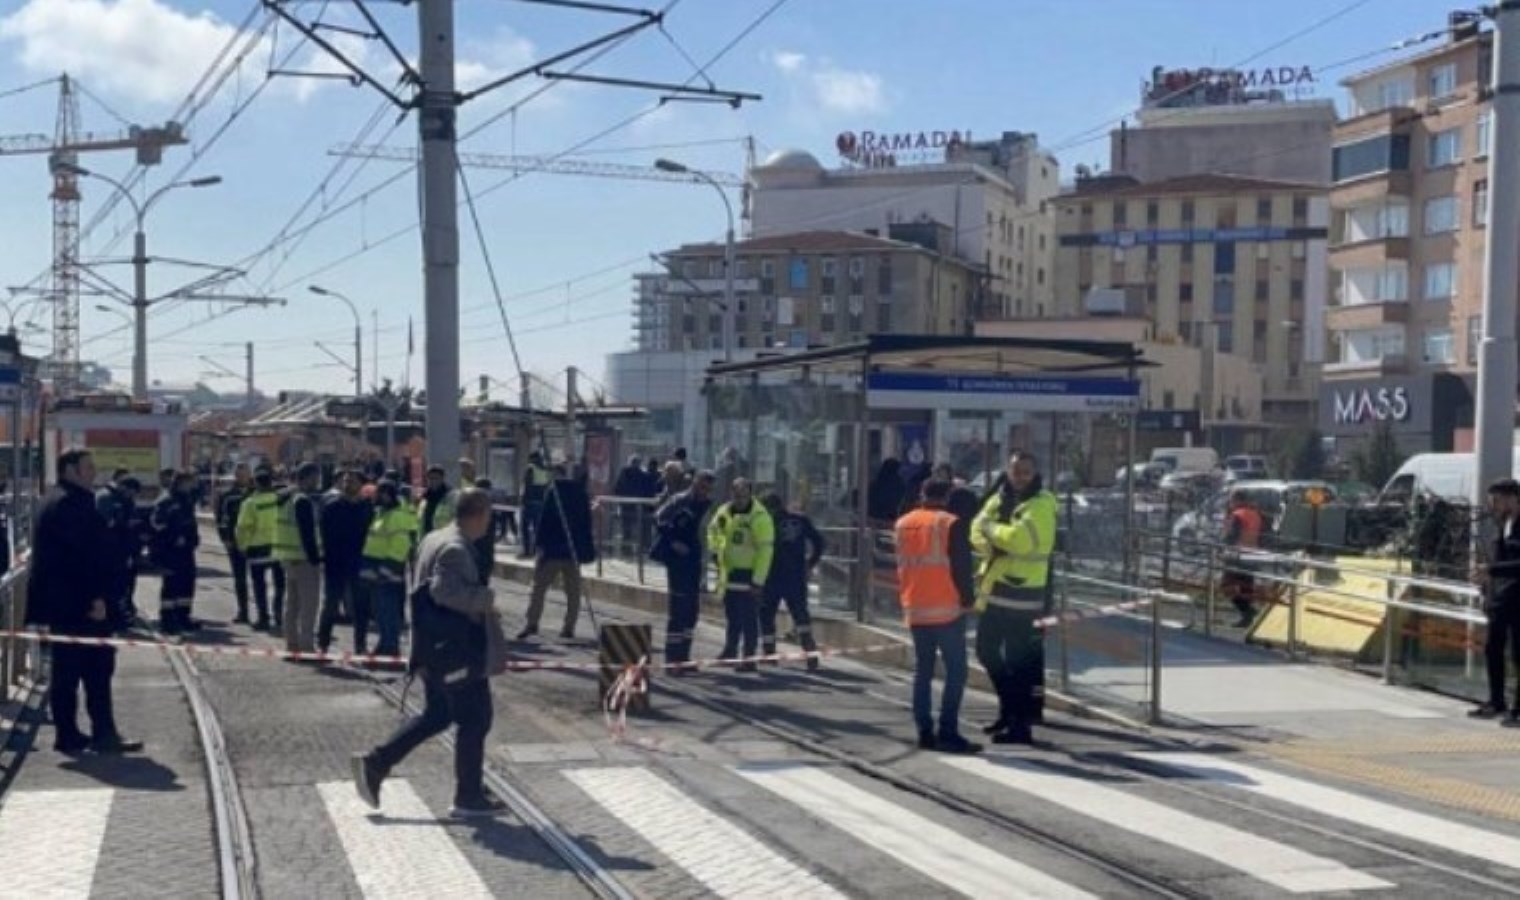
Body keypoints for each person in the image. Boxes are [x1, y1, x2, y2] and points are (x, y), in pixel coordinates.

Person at [352, 489, 509, 818]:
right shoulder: (455, 548)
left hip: (433, 648)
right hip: (456, 651)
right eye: (489, 517)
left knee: (438, 714)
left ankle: (376, 763)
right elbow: (443, 591)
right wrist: (485, 598)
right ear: (479, 515)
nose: (489, 525)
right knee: (476, 718)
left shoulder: (434, 538)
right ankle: (467, 796)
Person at [25, 448, 142, 754]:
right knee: (91, 669)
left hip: (64, 603)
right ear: (70, 470)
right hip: (80, 605)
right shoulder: (69, 504)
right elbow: (80, 558)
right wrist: (96, 598)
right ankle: (96, 734)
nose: (94, 472)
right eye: (88, 467)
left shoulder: (55, 499)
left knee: (72, 670)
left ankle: (76, 733)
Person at [971, 451, 1058, 746]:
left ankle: (1020, 724)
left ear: (1034, 473)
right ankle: (1009, 710)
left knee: (1019, 662)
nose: (1019, 476)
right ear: (1007, 471)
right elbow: (975, 530)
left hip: (1025, 595)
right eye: (1015, 470)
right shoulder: (1000, 496)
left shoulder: (1042, 503)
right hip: (995, 592)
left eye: (1025, 471)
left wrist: (993, 532)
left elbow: (1021, 541)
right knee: (985, 651)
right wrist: (996, 541)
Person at [896, 479, 980, 754]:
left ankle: (924, 732)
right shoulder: (949, 523)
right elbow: (961, 566)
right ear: (947, 497)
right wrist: (968, 600)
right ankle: (948, 731)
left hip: (915, 607)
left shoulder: (903, 523)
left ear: (922, 494)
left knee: (923, 671)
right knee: (956, 671)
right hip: (946, 609)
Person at [708, 477, 774, 673]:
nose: (739, 500)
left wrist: (758, 580)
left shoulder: (759, 517)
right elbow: (713, 531)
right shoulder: (724, 512)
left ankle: (749, 656)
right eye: (736, 495)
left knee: (749, 618)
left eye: (743, 495)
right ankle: (730, 651)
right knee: (732, 616)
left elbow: (765, 551)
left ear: (750, 494)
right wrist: (716, 551)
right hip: (729, 572)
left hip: (749, 574)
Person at [520, 477, 597, 640]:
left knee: (539, 588)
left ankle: (532, 622)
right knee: (573, 591)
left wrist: (538, 546)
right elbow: (586, 524)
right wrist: (586, 550)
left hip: (552, 550)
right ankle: (569, 627)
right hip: (573, 551)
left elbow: (544, 520)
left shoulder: (553, 493)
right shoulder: (580, 494)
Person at [653, 470, 714, 672]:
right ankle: (672, 660)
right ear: (694, 482)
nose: (704, 490)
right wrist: (674, 542)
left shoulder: (709, 505)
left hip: (697, 563)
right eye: (702, 485)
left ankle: (684, 657)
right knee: (678, 610)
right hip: (679, 563)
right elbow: (658, 518)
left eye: (708, 487)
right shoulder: (680, 500)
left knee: (691, 612)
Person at [1471, 478, 1520, 725]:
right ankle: (1496, 700)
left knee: (1519, 655)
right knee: (1493, 649)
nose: (1492, 505)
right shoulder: (1504, 524)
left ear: (1513, 498)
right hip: (1501, 601)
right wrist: (1486, 584)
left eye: (1497, 500)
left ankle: (1518, 709)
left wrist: (1491, 569)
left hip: (1519, 600)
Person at [759, 492, 825, 670]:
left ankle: (769, 652)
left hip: (773, 575)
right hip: (796, 575)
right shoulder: (801, 520)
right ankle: (810, 650)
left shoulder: (767, 522)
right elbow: (819, 541)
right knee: (800, 614)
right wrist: (810, 562)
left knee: (766, 614)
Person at [356, 480, 418, 658]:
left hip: (387, 569)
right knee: (380, 611)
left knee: (388, 610)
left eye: (382, 493)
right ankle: (385, 643)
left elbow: (400, 544)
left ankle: (390, 645)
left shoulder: (395, 515)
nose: (378, 497)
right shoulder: (382, 513)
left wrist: (386, 569)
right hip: (376, 568)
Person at [319, 469, 374, 654]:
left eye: (351, 480)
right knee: (331, 605)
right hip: (335, 563)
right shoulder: (331, 506)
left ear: (361, 484)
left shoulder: (367, 507)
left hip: (359, 562)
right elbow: (323, 534)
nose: (347, 483)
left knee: (360, 607)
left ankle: (360, 646)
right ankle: (323, 643)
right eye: (344, 480)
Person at [274, 462, 324, 656]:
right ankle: (306, 647)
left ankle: (291, 643)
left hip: (288, 558)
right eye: (315, 478)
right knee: (309, 605)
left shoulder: (285, 498)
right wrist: (315, 558)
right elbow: (307, 534)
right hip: (304, 559)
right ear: (307, 478)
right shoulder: (302, 500)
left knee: (292, 604)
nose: (317, 482)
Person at [151, 470, 201, 634]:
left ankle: (183, 617)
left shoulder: (186, 499)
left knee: (187, 583)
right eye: (190, 482)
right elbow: (157, 525)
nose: (192, 485)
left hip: (186, 550)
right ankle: (167, 620)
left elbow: (190, 523)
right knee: (172, 585)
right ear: (182, 482)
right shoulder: (166, 501)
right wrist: (174, 538)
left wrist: (193, 539)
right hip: (171, 551)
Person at [236, 468, 285, 632]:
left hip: (257, 549)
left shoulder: (250, 503)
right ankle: (279, 615)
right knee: (280, 584)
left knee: (259, 585)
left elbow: (243, 528)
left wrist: (242, 546)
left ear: (256, 483)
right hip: (277, 546)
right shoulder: (278, 499)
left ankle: (263, 617)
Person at [96, 473, 143, 628]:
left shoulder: (122, 499)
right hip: (109, 552)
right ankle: (111, 619)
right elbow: (104, 524)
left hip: (122, 551)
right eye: (131, 492)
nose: (132, 496)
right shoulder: (105, 497)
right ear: (123, 487)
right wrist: (124, 523)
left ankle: (118, 616)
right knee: (111, 587)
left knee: (121, 586)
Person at [1221, 490, 1265, 629]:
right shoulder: (1255, 515)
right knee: (1246, 587)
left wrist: (1221, 545)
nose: (1230, 503)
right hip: (1252, 554)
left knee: (1226, 585)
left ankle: (1248, 612)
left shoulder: (1237, 515)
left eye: (1232, 500)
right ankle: (1247, 617)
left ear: (1238, 500)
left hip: (1237, 554)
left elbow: (1231, 536)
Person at [217, 464, 253, 624]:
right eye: (239, 475)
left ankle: (265, 614)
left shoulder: (256, 493)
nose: (242, 478)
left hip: (256, 542)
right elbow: (221, 519)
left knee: (259, 579)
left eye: (245, 474)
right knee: (240, 579)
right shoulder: (227, 496)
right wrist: (225, 539)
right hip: (236, 542)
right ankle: (243, 612)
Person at [519, 451, 552, 557]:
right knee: (537, 528)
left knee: (525, 527)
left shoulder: (531, 468)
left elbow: (527, 485)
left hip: (530, 502)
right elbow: (547, 486)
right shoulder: (546, 470)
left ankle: (527, 551)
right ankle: (536, 550)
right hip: (541, 502)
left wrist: (523, 500)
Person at [613, 455, 646, 555]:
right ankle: (635, 549)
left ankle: (625, 549)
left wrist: (619, 498)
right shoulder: (641, 474)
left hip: (625, 503)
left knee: (625, 527)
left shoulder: (624, 472)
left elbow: (617, 487)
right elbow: (642, 489)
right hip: (637, 504)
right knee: (636, 527)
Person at [418, 464, 457, 535]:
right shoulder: (425, 497)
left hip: (446, 537)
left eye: (436, 478)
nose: (433, 481)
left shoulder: (451, 496)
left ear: (442, 479)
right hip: (427, 536)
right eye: (430, 478)